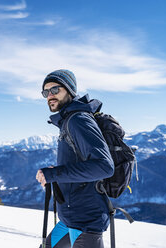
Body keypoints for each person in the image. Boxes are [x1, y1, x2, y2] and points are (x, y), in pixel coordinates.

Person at [36, 69, 114, 248]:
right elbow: (77, 164)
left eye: (55, 90)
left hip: (86, 223)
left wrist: (55, 173)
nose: (50, 96)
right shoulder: (68, 121)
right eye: (46, 92)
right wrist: (53, 174)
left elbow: (104, 166)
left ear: (70, 90)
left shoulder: (78, 120)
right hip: (69, 218)